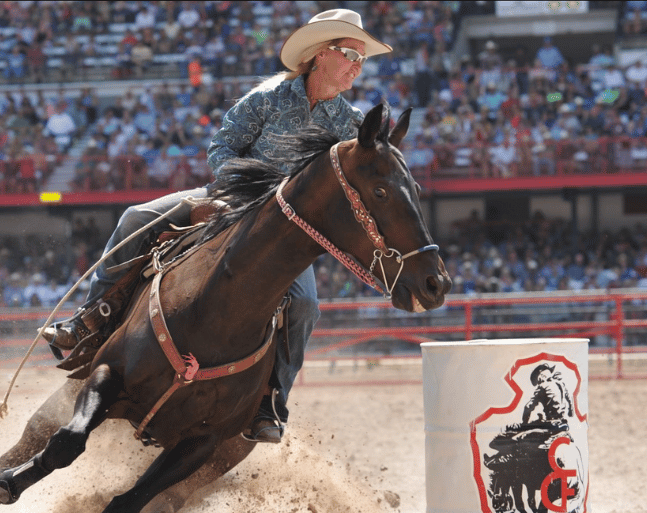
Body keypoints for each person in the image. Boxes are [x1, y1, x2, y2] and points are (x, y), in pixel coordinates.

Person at [41, 9, 392, 443]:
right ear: (320, 55)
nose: (357, 66)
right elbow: (223, 144)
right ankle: (92, 317)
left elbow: (371, 164)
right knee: (136, 217)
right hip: (231, 200)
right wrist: (233, 188)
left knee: (305, 307)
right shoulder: (267, 98)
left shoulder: (351, 124)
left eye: (362, 59)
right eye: (349, 54)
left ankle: (271, 400)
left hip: (287, 231)